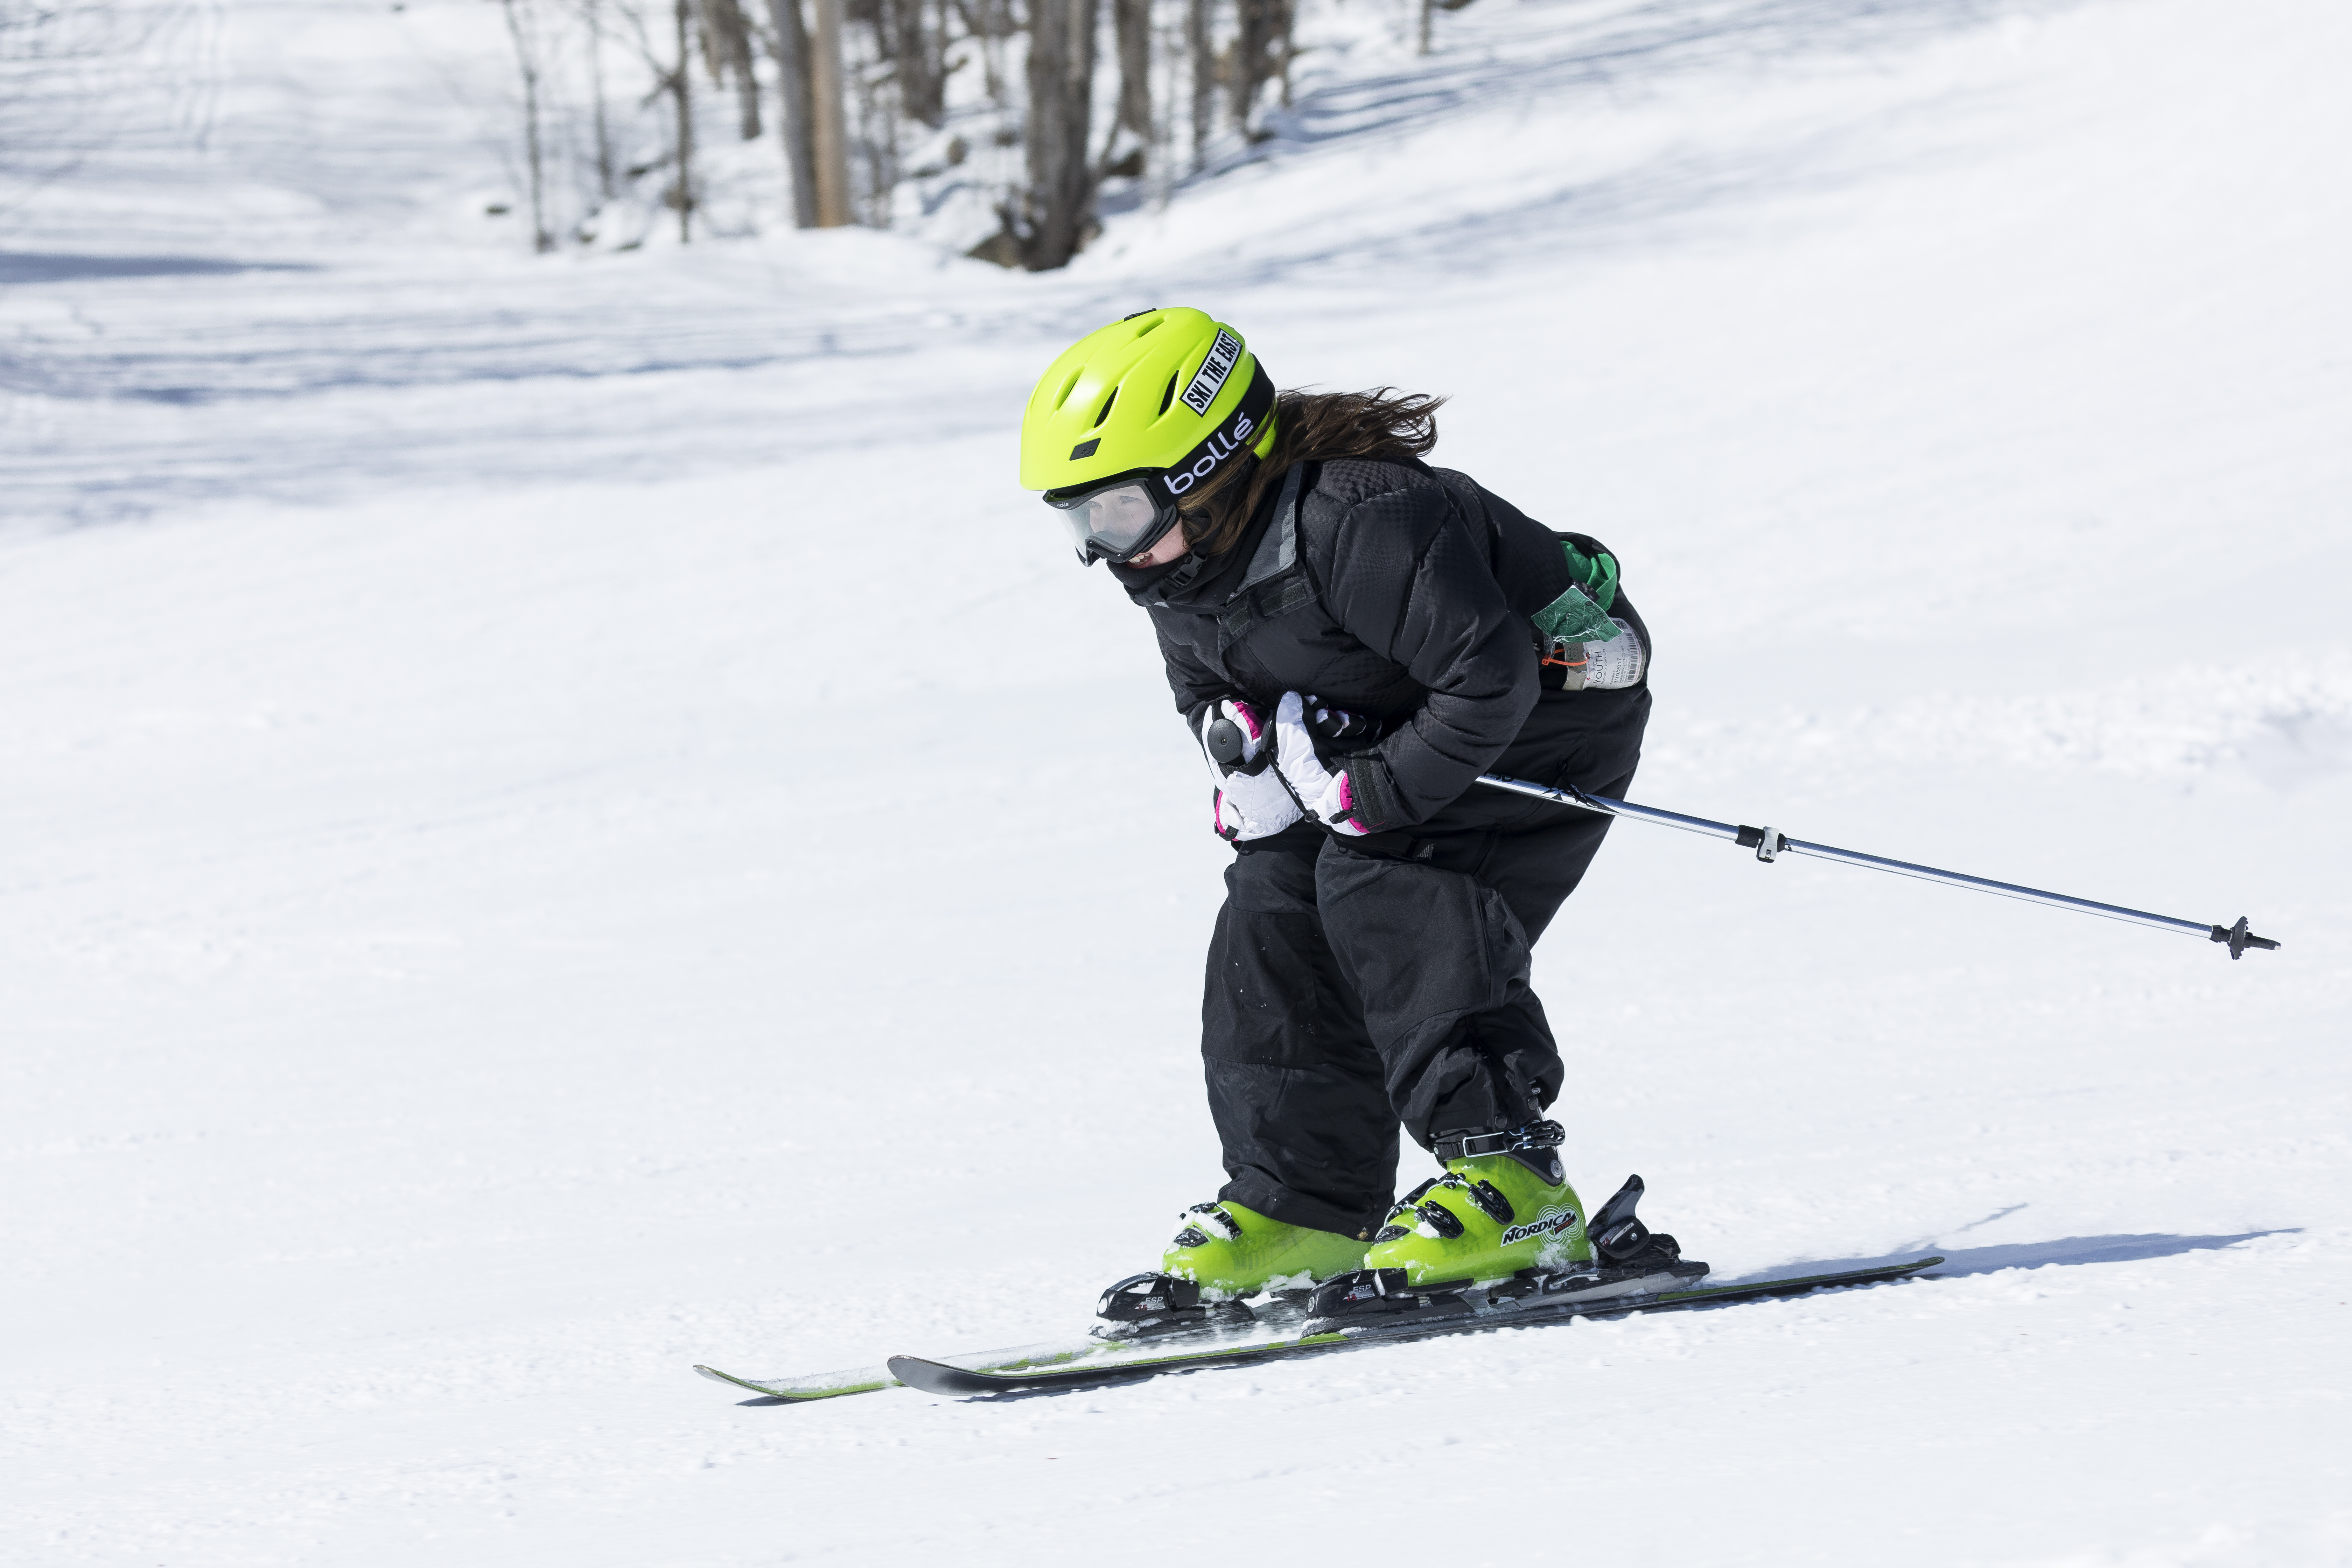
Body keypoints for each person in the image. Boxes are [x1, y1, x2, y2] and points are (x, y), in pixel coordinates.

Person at [1019, 308, 1657, 1308]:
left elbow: (1489, 681)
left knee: (1388, 877)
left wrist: (1373, 793)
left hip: (1547, 716)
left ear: (1212, 467)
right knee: (1271, 902)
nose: (1108, 550)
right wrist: (1249, 766)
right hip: (1385, 719)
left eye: (1120, 512)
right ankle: (1303, 1206)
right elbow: (1207, 691)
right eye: (1081, 522)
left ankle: (1512, 1181)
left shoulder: (1362, 518)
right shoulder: (1182, 568)